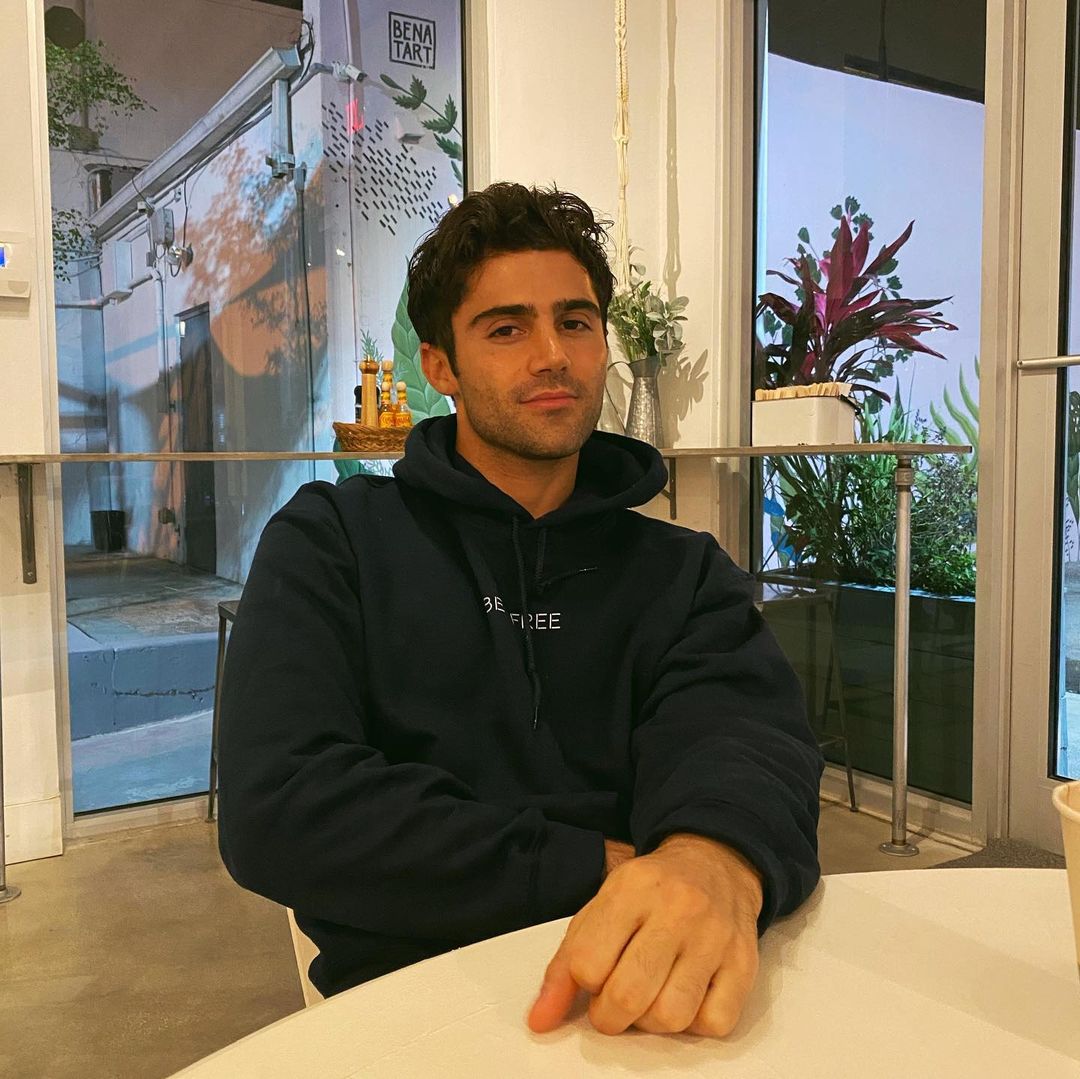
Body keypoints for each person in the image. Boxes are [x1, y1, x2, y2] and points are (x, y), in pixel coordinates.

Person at [218, 182, 823, 1038]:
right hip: (407, 1000)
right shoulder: (338, 543)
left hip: (648, 995)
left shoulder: (679, 572)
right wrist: (595, 865)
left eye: (575, 322)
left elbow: (747, 738)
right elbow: (280, 803)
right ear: (439, 365)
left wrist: (709, 858)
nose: (551, 354)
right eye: (506, 328)